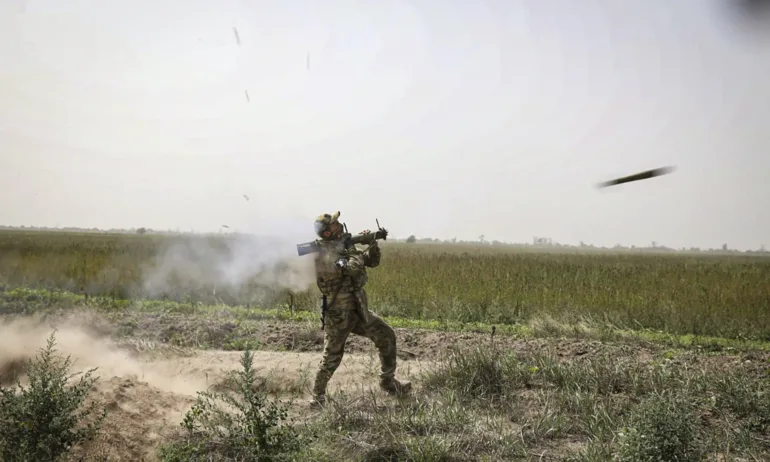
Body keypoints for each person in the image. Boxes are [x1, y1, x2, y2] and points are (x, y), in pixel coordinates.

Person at [310, 211, 411, 408]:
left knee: (386, 335)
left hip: (357, 309)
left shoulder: (342, 246)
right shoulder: (324, 254)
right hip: (338, 314)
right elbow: (353, 267)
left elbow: (370, 262)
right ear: (327, 233)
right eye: (334, 224)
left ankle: (388, 382)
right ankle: (317, 397)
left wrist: (372, 244)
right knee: (332, 357)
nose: (339, 225)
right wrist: (353, 249)